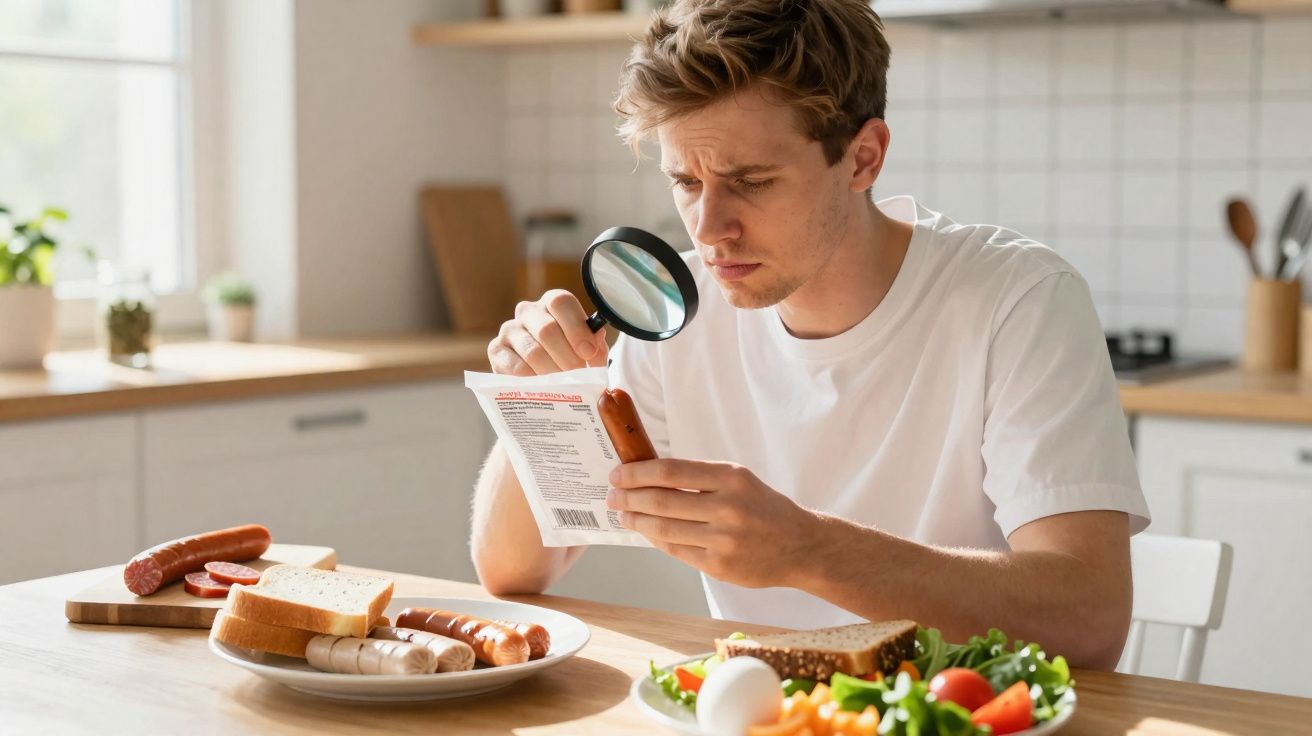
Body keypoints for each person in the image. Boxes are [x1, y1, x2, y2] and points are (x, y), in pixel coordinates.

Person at [470, 0, 1149, 670]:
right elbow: (512, 570)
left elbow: (1089, 621)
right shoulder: (674, 307)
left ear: (863, 159)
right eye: (685, 181)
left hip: (965, 710)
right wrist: (543, 398)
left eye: (751, 182)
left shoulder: (1019, 298)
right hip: (757, 710)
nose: (707, 230)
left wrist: (810, 550)